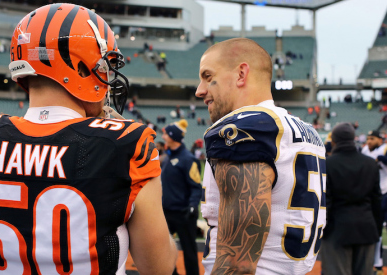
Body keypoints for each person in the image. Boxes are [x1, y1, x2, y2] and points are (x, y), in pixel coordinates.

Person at [0, 4, 177, 274]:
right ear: (81, 67)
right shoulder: (125, 143)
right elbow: (158, 267)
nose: (107, 77)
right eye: (104, 66)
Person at [196, 38, 326, 274]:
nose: (199, 90)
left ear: (241, 74)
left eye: (207, 76)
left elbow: (238, 263)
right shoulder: (307, 132)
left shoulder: (246, 129)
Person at [322, 123, 382, 275]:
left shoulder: (327, 164)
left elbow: (326, 202)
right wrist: (376, 230)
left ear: (334, 141)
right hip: (366, 229)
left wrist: (325, 231)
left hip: (337, 230)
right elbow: (377, 201)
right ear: (353, 139)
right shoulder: (370, 163)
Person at [161, 119, 202, 275]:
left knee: (189, 250)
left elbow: (196, 186)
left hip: (184, 213)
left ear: (173, 137)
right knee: (164, 250)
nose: (163, 136)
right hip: (166, 213)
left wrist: (192, 206)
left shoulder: (188, 159)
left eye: (166, 134)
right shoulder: (168, 157)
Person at [361, 130, 387, 274]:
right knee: (375, 232)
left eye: (372, 139)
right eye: (368, 138)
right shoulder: (365, 150)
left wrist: (382, 158)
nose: (369, 141)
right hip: (372, 196)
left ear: (380, 140)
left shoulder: (384, 149)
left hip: (385, 192)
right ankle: (377, 263)